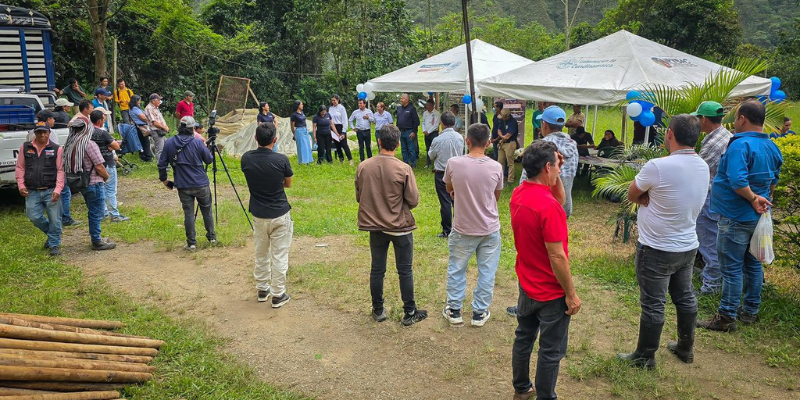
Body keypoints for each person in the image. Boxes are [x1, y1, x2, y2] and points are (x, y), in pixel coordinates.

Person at [617, 114, 709, 370]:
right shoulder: (702, 165)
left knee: (654, 303)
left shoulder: (658, 166)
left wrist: (649, 196)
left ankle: (645, 356)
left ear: (669, 134)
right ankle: (685, 347)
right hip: (687, 245)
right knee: (685, 297)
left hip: (656, 248)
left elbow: (632, 194)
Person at [698, 100, 783, 332]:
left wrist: (753, 199)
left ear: (742, 118)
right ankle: (750, 312)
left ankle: (726, 317)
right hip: (758, 217)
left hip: (735, 216)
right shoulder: (772, 147)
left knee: (732, 268)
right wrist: (761, 199)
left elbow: (737, 182)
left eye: (735, 118)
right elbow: (773, 182)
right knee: (753, 264)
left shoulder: (739, 145)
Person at [511, 140, 579, 400]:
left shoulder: (520, 193)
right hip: (550, 291)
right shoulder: (547, 207)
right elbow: (557, 255)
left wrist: (555, 172)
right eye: (557, 167)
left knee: (524, 337)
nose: (560, 171)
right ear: (547, 166)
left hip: (527, 281)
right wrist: (570, 293)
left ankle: (521, 388)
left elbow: (559, 199)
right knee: (551, 351)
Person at [355, 124, 427, 326]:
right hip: (400, 227)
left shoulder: (364, 166)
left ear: (379, 142)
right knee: (405, 270)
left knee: (377, 269)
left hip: (375, 226)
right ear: (397, 144)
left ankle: (378, 309)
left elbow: (360, 196)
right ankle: (409, 311)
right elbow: (413, 200)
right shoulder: (403, 168)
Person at [441, 123, 502, 327]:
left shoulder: (454, 163)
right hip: (489, 228)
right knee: (487, 271)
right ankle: (479, 312)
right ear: (488, 143)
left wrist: (459, 192)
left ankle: (455, 309)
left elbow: (449, 186)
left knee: (457, 269)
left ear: (467, 141)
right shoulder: (496, 167)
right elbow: (496, 196)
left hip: (463, 227)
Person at [241, 122, 294, 308]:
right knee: (279, 255)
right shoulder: (281, 160)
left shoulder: (246, 159)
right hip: (280, 213)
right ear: (275, 139)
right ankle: (278, 294)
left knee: (261, 253)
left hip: (258, 214)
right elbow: (288, 184)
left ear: (255, 138)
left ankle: (262, 289)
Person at [691, 101, 733, 296]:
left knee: (709, 242)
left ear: (704, 119)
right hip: (719, 198)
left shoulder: (714, 142)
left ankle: (711, 287)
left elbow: (698, 171)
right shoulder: (724, 135)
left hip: (710, 198)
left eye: (698, 118)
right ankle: (717, 281)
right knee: (715, 241)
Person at [158, 116, 216, 251]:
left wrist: (164, 180)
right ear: (192, 129)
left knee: (188, 213)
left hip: (183, 185)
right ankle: (212, 238)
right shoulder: (197, 142)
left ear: (180, 127)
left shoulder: (169, 142)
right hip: (201, 183)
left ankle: (191, 243)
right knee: (207, 210)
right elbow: (208, 160)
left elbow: (162, 164)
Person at [63, 119, 114, 251]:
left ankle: (97, 237)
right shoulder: (89, 144)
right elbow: (99, 166)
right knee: (96, 212)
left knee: (92, 210)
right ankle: (97, 240)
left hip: (81, 183)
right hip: (93, 182)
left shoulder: (70, 144)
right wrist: (107, 177)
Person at [15, 125, 65, 256]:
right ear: (34, 134)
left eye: (45, 132)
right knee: (33, 216)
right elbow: (20, 167)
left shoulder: (56, 149)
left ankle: (54, 245)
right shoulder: (25, 148)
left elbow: (60, 170)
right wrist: (21, 185)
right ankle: (53, 234)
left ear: (49, 133)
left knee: (55, 219)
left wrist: (58, 189)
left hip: (51, 190)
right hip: (31, 190)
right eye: (39, 133)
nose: (42, 135)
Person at [525, 106, 578, 217]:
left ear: (544, 125)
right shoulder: (573, 146)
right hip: (564, 206)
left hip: (540, 207)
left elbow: (526, 178)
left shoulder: (539, 147)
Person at [428, 111, 464, 239]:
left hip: (442, 173)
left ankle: (447, 230)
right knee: (457, 202)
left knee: (445, 202)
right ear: (454, 123)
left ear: (441, 124)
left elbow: (431, 156)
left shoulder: (437, 140)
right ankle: (459, 228)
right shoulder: (460, 138)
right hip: (457, 172)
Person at [89, 108, 129, 223]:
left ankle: (104, 213)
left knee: (101, 190)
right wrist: (111, 145)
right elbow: (116, 146)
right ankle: (114, 215)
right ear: (100, 121)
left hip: (95, 165)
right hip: (107, 163)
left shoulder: (88, 132)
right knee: (111, 190)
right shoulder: (103, 133)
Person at [395, 93, 420, 167]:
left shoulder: (411, 108)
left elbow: (416, 121)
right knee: (403, 149)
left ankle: (413, 164)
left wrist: (414, 131)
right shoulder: (399, 108)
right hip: (401, 132)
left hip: (409, 132)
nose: (400, 99)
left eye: (402, 98)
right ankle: (405, 163)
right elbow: (398, 119)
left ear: (406, 100)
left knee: (411, 149)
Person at [497, 109, 520, 184]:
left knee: (510, 162)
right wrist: (502, 137)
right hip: (502, 143)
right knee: (500, 161)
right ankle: (501, 179)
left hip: (510, 143)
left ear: (507, 116)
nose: (501, 118)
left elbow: (508, 136)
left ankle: (510, 179)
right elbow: (499, 130)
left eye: (502, 117)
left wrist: (503, 138)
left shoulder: (513, 122)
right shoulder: (502, 121)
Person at [328, 95, 353, 164]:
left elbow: (345, 120)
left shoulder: (341, 108)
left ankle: (350, 159)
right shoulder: (330, 108)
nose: (333, 102)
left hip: (340, 126)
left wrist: (343, 131)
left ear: (338, 100)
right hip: (333, 127)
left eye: (334, 100)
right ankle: (341, 159)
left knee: (344, 144)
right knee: (337, 145)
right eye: (332, 100)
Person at [145, 93, 169, 162]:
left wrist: (165, 126)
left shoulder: (155, 107)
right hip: (156, 131)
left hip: (160, 130)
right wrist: (164, 127)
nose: (159, 101)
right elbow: (154, 122)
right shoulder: (149, 108)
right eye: (158, 100)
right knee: (159, 149)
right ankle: (161, 165)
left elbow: (160, 119)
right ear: (153, 101)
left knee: (166, 145)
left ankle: (165, 163)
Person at [129, 95, 153, 162]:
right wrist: (150, 120)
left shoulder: (132, 108)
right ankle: (148, 157)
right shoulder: (135, 109)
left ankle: (143, 156)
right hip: (141, 127)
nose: (140, 101)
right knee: (145, 142)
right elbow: (143, 118)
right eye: (139, 100)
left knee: (142, 142)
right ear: (136, 101)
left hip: (138, 127)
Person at [290, 100, 314, 165]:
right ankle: (302, 161)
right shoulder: (294, 115)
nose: (302, 105)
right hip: (299, 130)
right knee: (301, 146)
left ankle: (308, 160)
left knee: (307, 145)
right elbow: (292, 125)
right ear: (298, 106)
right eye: (301, 104)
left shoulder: (302, 113)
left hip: (305, 129)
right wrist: (294, 133)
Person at [421, 99, 441, 168]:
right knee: (428, 148)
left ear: (432, 105)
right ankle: (428, 163)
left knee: (435, 148)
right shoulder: (425, 113)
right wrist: (424, 130)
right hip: (426, 133)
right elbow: (423, 122)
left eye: (429, 105)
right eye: (427, 105)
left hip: (433, 133)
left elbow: (436, 125)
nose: (427, 106)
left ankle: (436, 163)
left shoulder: (436, 113)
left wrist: (429, 131)